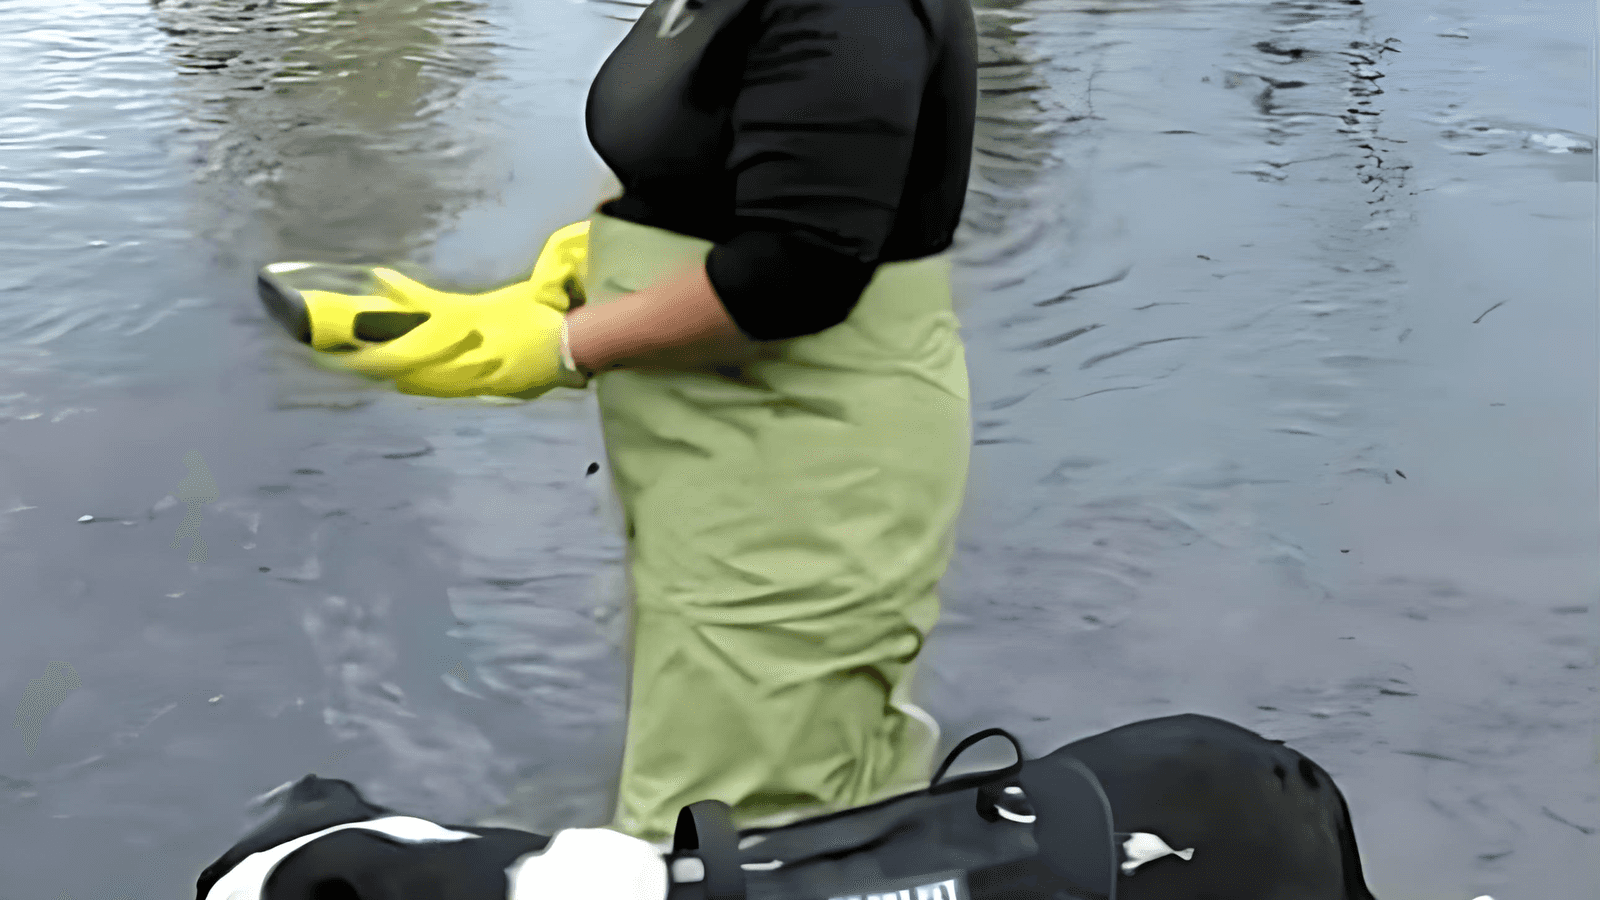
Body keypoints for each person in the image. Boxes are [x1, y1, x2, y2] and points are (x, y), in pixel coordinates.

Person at [263, 0, 979, 847]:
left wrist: (560, 346)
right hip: (711, 441)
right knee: (795, 774)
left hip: (803, 459)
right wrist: (606, 252)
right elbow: (708, 144)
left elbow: (800, 268)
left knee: (736, 819)